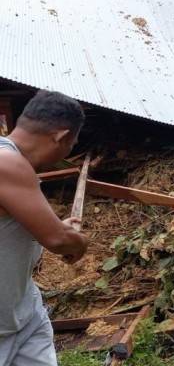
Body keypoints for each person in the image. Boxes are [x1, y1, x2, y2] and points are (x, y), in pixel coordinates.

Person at [0, 90, 89, 365]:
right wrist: (77, 241)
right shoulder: (7, 163)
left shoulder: (14, 163)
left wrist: (56, 227)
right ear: (61, 137)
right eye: (71, 145)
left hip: (23, 310)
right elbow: (59, 241)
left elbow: (20, 224)